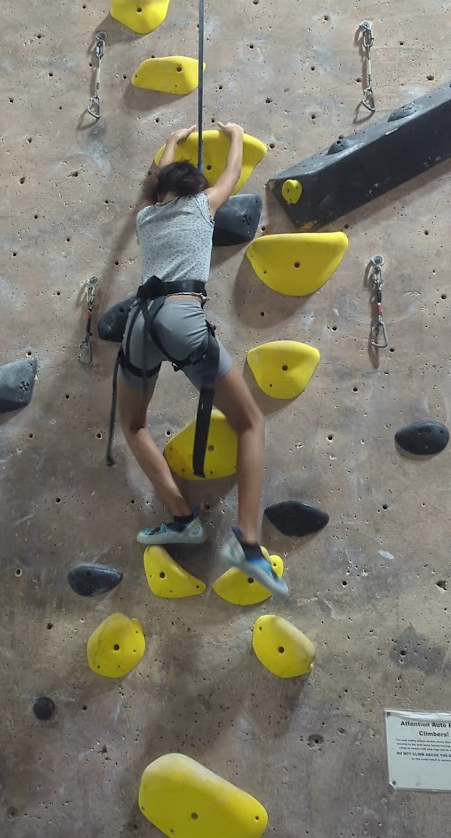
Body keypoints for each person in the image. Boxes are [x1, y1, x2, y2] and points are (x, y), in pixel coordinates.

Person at [115, 122, 288, 597]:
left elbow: (154, 177)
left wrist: (172, 141)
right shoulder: (202, 205)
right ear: (195, 188)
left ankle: (181, 517)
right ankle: (249, 545)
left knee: (132, 426)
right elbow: (232, 174)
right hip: (180, 316)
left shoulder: (147, 218)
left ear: (160, 189)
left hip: (139, 323)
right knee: (250, 422)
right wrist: (234, 134)